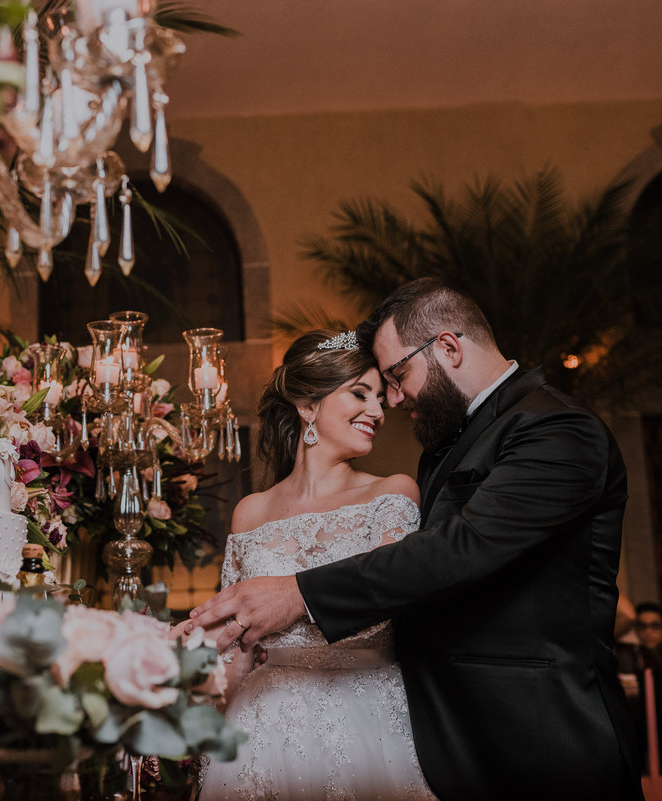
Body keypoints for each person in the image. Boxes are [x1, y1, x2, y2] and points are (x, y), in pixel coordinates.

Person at [186, 278, 641, 801]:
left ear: (448, 347)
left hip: (540, 734)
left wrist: (297, 594)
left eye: (396, 378)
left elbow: (460, 548)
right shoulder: (449, 446)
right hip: (447, 732)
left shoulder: (558, 429)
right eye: (373, 388)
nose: (392, 402)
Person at [199, 329, 436, 800]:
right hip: (258, 725)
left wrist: (285, 604)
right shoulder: (251, 511)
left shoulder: (391, 494)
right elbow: (234, 640)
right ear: (307, 407)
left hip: (364, 717)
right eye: (359, 394)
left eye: (380, 398)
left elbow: (385, 609)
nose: (378, 410)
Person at [617, 602, 662, 772]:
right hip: (637, 734)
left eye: (654, 626)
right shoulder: (629, 655)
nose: (648, 631)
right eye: (642, 626)